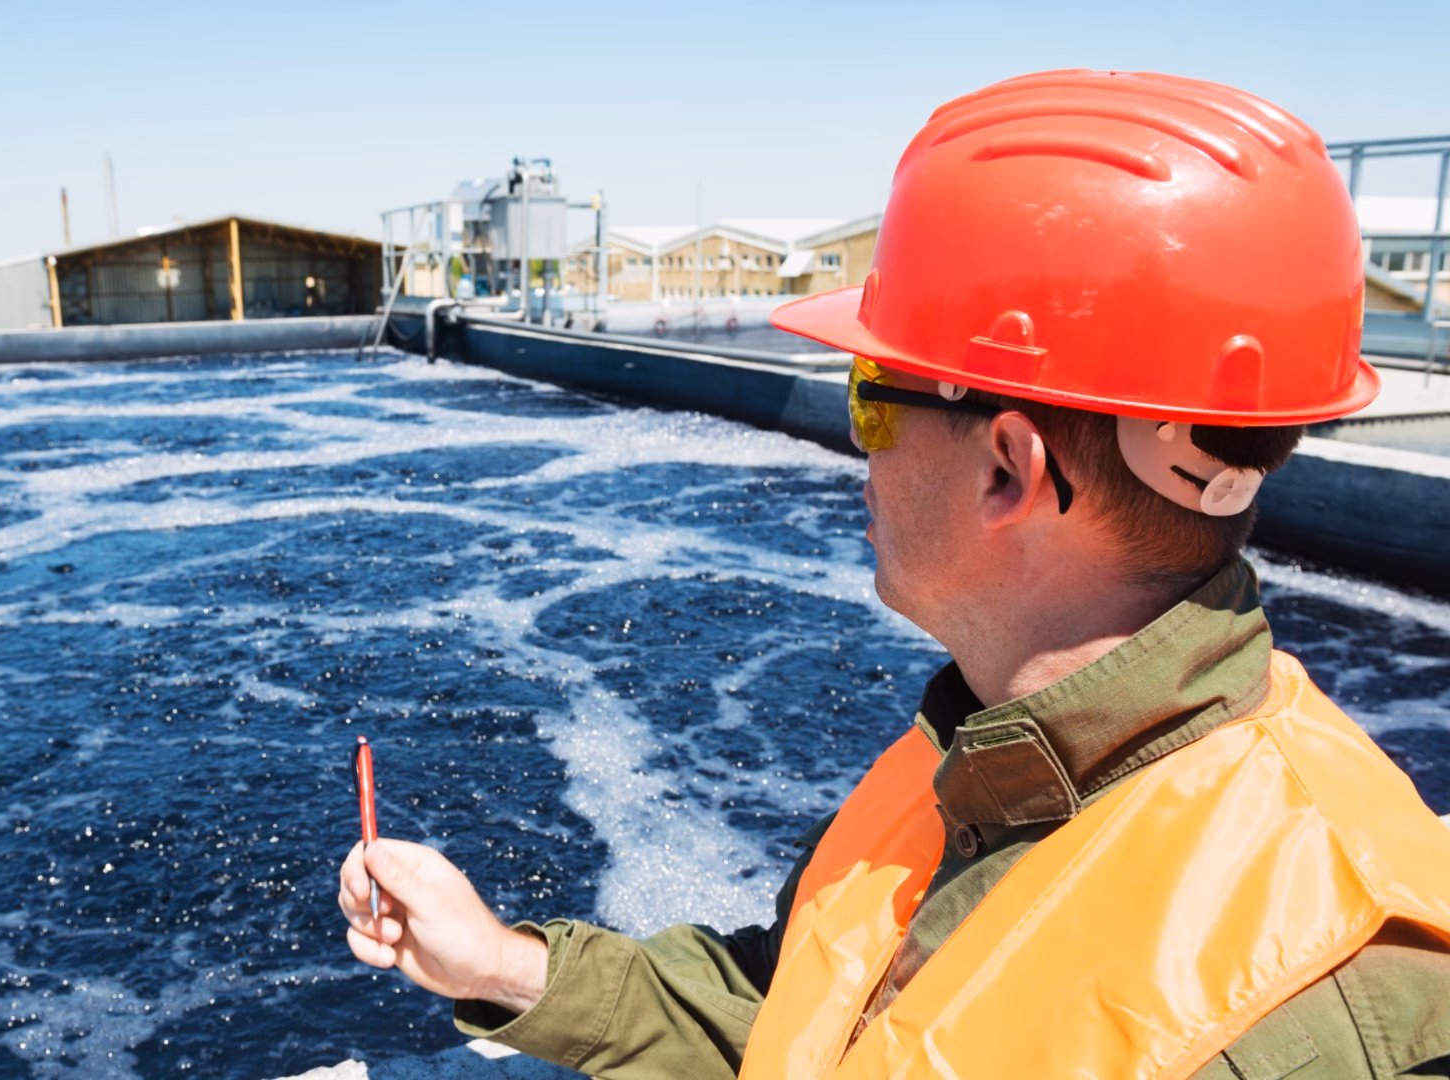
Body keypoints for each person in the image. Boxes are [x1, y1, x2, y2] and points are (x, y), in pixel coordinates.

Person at [338, 70, 1450, 1078]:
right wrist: (502, 968)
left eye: (873, 394)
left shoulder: (1335, 996)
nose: (855, 449)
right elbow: (793, 1020)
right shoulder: (976, 765)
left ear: (1008, 468)